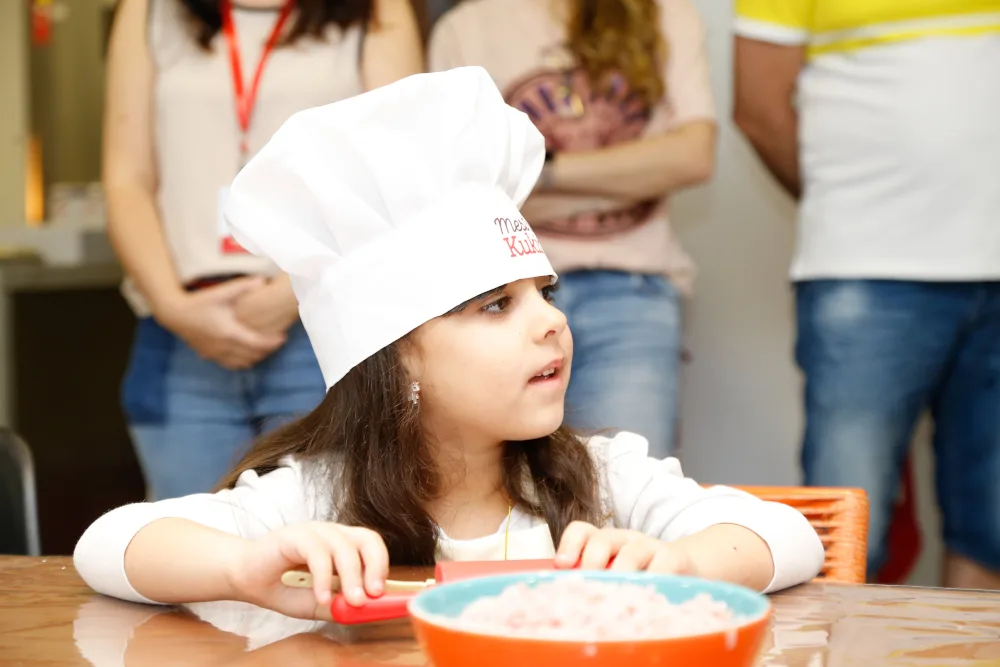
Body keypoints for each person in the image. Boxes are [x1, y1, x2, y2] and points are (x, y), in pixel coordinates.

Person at [75, 68, 824, 618]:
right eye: (496, 305)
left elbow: (787, 534)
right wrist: (245, 565)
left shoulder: (597, 477)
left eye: (545, 294)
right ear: (398, 354)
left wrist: (683, 561)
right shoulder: (319, 494)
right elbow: (108, 544)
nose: (551, 321)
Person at [102, 0, 423, 500]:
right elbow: (126, 179)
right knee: (190, 554)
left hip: (323, 329)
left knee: (326, 542)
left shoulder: (377, 10)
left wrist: (295, 292)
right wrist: (173, 306)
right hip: (181, 333)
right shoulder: (148, 10)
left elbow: (398, 178)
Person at [732, 0, 1000, 589]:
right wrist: (847, 205)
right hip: (866, 269)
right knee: (847, 538)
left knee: (992, 531)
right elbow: (758, 108)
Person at [427, 0, 717, 458]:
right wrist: (627, 174)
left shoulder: (667, 15)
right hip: (503, 300)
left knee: (626, 497)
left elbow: (693, 157)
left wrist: (539, 172)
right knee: (504, 489)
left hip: (631, 295)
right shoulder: (463, 30)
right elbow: (460, 185)